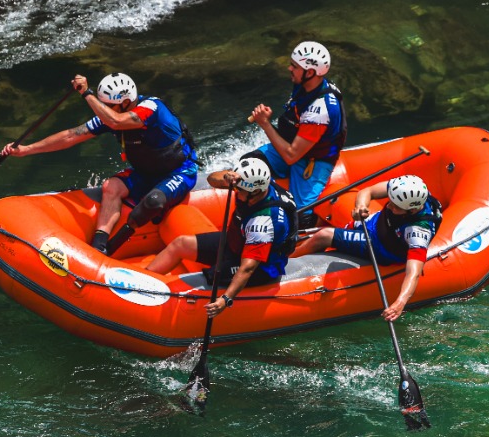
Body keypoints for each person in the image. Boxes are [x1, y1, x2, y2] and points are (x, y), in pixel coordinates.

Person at [1, 73, 198, 254]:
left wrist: (87, 93)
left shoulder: (151, 108)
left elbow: (117, 122)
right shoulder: (111, 116)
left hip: (179, 172)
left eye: (107, 105)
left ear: (126, 102)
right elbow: (71, 136)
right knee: (110, 187)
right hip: (146, 173)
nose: (103, 110)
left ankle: (115, 247)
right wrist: (27, 150)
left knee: (153, 202)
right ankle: (99, 247)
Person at [145, 156, 295, 321]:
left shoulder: (263, 223)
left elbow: (247, 268)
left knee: (211, 275)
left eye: (241, 191)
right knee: (181, 244)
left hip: (261, 267)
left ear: (255, 192)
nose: (237, 193)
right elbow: (212, 179)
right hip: (238, 241)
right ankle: (141, 284)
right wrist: (226, 178)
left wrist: (226, 299)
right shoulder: (257, 182)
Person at [295, 174, 441, 321]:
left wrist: (400, 302)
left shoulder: (418, 231)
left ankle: (290, 259)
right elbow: (367, 191)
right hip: (377, 223)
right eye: (390, 201)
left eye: (395, 207)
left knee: (324, 236)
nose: (389, 206)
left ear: (412, 210)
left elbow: (413, 273)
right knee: (343, 230)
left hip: (381, 247)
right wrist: (361, 207)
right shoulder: (404, 189)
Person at [243, 40, 346, 224]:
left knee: (300, 217)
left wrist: (265, 124)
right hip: (295, 145)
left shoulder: (320, 109)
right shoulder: (305, 84)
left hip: (313, 161)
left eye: (294, 66)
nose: (289, 69)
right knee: (249, 164)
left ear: (310, 72)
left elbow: (291, 156)